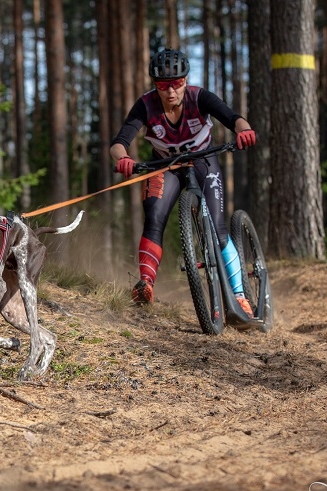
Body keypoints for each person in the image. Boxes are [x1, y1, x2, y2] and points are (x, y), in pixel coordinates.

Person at [109, 47, 256, 316]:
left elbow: (232, 117)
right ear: (156, 86)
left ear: (185, 81)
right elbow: (119, 142)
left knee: (218, 227)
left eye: (176, 84)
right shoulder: (146, 105)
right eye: (164, 85)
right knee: (154, 218)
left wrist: (244, 130)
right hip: (165, 166)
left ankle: (239, 296)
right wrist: (123, 159)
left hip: (204, 160)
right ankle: (145, 285)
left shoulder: (200, 97)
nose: (170, 91)